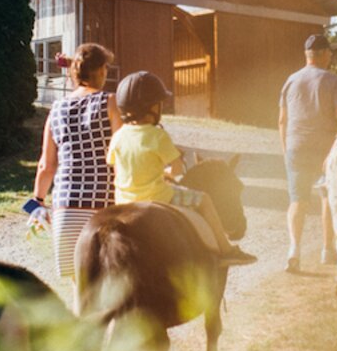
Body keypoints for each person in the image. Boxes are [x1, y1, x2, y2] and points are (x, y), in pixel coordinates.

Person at [107, 71, 256, 265]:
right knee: (204, 200)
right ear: (153, 107)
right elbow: (177, 170)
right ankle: (226, 249)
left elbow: (116, 166)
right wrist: (166, 174)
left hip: (123, 201)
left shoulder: (118, 136)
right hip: (158, 197)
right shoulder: (157, 136)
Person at [31, 43, 122, 278]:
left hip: (65, 209)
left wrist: (36, 203)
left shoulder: (56, 109)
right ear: (101, 70)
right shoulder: (109, 102)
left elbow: (46, 166)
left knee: (79, 292)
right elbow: (122, 151)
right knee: (111, 287)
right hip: (104, 205)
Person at [279, 34, 337, 273]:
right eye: (330, 53)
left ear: (307, 55)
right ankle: (328, 251)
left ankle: (294, 251)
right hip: (324, 149)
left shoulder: (290, 80)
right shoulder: (333, 80)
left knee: (297, 200)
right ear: (325, 53)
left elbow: (282, 121)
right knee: (327, 196)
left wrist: (287, 149)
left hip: (295, 146)